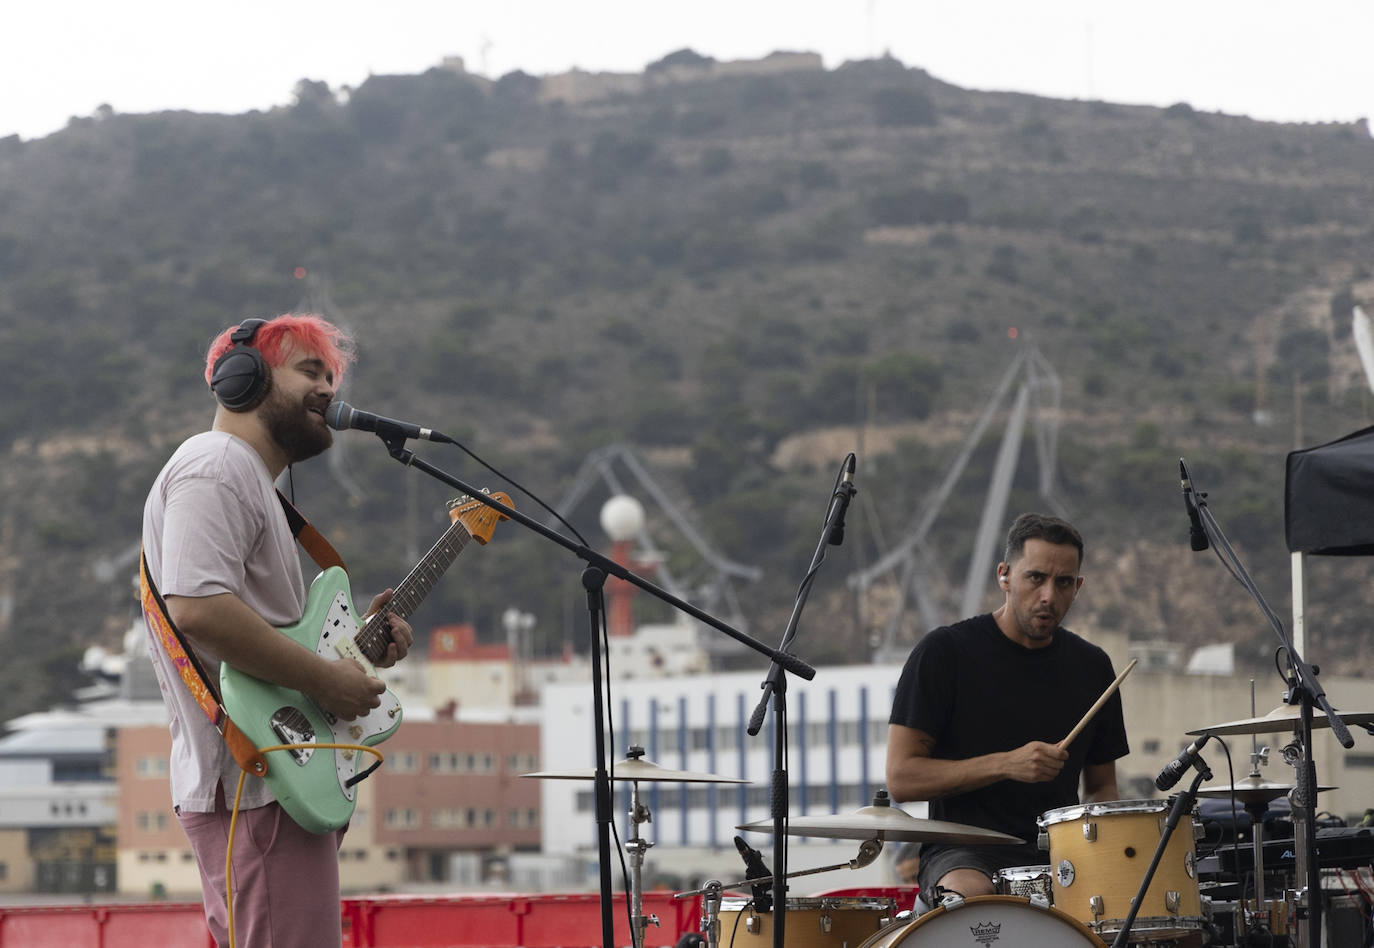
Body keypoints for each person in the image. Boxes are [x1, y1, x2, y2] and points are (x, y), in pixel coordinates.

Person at [141, 314, 414, 947]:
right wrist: (327, 680)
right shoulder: (216, 466)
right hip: (256, 783)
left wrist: (356, 652)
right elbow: (199, 609)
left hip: (276, 780)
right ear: (245, 379)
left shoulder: (246, 481)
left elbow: (265, 632)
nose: (328, 389)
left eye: (332, 375)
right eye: (308, 371)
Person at [885, 512, 1128, 901]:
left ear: (1077, 586)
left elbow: (1101, 787)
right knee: (975, 898)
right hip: (962, 853)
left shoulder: (1093, 666)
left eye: (1064, 582)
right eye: (1036, 578)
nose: (1049, 594)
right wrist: (1005, 764)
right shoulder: (944, 653)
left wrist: (1108, 844)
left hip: (1062, 855)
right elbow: (901, 778)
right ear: (1004, 576)